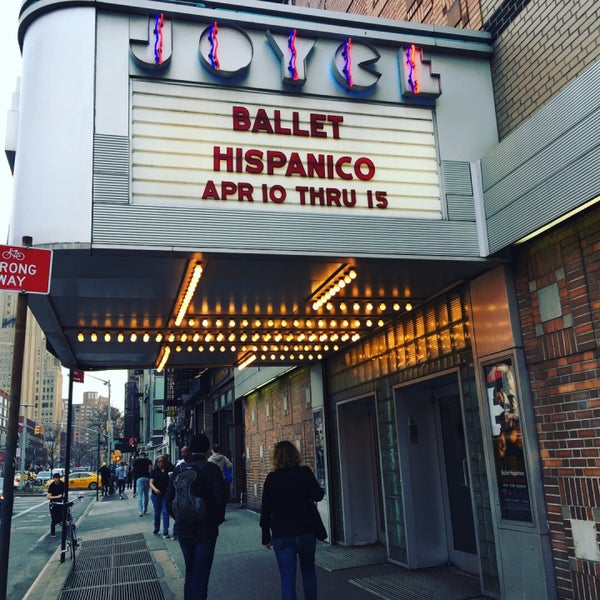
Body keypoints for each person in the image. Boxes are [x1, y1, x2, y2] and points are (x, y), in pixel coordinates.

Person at [260, 440, 325, 600]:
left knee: (287, 579)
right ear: (295, 454)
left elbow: (266, 510)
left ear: (275, 457)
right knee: (308, 571)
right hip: (305, 531)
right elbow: (318, 495)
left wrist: (265, 536)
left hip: (282, 533)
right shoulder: (304, 472)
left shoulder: (271, 478)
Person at [166, 434, 227, 600]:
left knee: (190, 570)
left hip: (184, 530)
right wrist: (215, 521)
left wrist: (180, 518)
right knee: (201, 574)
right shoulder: (211, 469)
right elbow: (221, 499)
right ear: (207, 449)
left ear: (190, 449)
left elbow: (168, 500)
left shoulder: (179, 470)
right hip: (206, 530)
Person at [150, 456, 171, 538]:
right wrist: (155, 489)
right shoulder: (154, 472)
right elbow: (151, 483)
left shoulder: (168, 471)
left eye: (162, 461)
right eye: (158, 461)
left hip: (166, 495)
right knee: (157, 513)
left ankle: (165, 531)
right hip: (156, 495)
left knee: (165, 512)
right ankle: (156, 528)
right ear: (156, 463)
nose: (160, 463)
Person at [132, 452, 153, 516]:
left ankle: (140, 511)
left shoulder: (136, 461)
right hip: (147, 478)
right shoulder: (148, 461)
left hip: (139, 478)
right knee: (146, 495)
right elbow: (150, 469)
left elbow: (132, 469)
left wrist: (135, 473)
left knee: (140, 495)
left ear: (140, 455)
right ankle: (145, 509)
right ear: (145, 455)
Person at [46, 472, 66, 537]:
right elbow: (48, 496)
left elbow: (65, 492)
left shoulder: (62, 484)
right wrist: (57, 497)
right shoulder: (52, 486)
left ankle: (64, 532)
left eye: (58, 478)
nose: (57, 479)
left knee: (63, 517)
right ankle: (52, 533)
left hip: (61, 503)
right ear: (54, 479)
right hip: (54, 504)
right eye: (55, 478)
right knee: (54, 519)